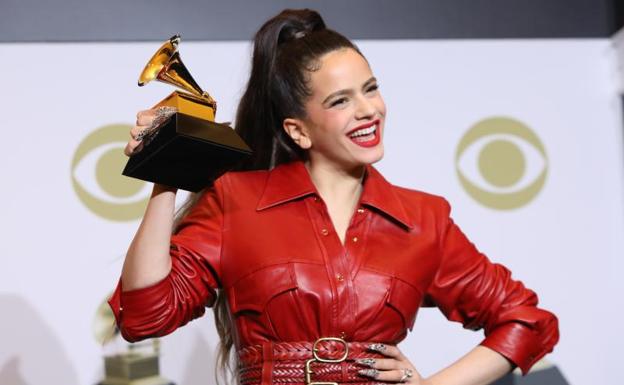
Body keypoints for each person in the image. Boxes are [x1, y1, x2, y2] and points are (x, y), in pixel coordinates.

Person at [109, 8, 559, 385]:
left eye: (371, 89)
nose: (368, 110)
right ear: (297, 130)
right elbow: (145, 317)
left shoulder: (424, 218)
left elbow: (527, 321)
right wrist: (166, 172)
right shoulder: (235, 199)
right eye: (340, 101)